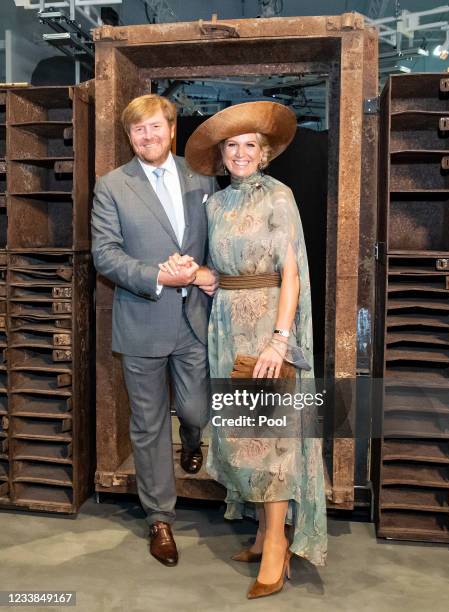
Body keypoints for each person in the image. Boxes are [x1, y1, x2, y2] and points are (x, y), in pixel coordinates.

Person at [163, 101, 327, 598]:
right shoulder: (217, 203)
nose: (239, 153)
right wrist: (197, 273)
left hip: (266, 328)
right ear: (222, 154)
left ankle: (277, 544)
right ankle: (261, 532)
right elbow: (218, 271)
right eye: (231, 146)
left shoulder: (279, 197)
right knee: (243, 435)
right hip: (226, 328)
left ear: (265, 153)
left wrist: (281, 341)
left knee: (274, 437)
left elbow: (292, 272)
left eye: (248, 145)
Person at [91, 94, 217, 568]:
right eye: (138, 130)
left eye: (155, 127)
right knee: (146, 424)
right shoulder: (112, 186)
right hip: (142, 320)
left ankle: (190, 436)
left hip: (194, 320)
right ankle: (160, 517)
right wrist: (160, 276)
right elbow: (105, 254)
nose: (148, 136)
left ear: (172, 128)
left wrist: (206, 272)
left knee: (195, 406)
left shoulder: (200, 176)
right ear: (130, 137)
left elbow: (217, 240)